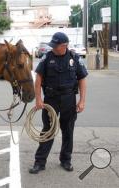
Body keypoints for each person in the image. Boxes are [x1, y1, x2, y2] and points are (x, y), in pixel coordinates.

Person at [29, 32, 88, 174]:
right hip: (51, 99)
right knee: (48, 130)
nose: (53, 48)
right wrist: (38, 99)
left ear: (64, 46)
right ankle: (40, 162)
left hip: (69, 99)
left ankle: (66, 160)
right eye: (53, 45)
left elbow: (82, 79)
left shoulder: (74, 58)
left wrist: (82, 101)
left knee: (68, 131)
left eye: (56, 46)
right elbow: (38, 79)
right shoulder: (47, 58)